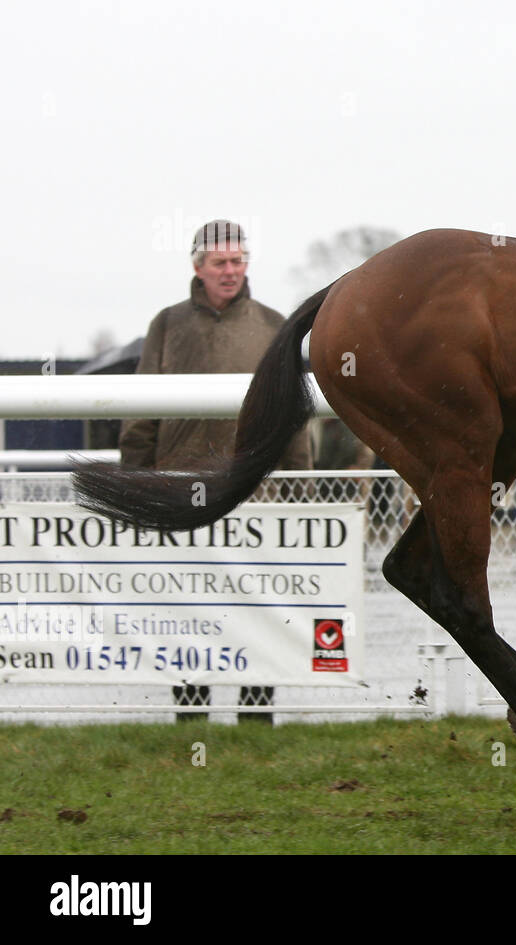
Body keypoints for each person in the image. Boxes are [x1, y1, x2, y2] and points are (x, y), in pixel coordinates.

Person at [120, 219, 314, 722]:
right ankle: (190, 716)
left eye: (238, 261)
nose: (230, 271)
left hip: (257, 496)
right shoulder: (167, 323)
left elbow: (293, 418)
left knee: (256, 609)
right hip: (181, 489)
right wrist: (136, 482)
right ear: (197, 266)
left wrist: (302, 489)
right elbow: (141, 410)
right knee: (188, 609)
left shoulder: (275, 324)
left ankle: (255, 717)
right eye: (220, 263)